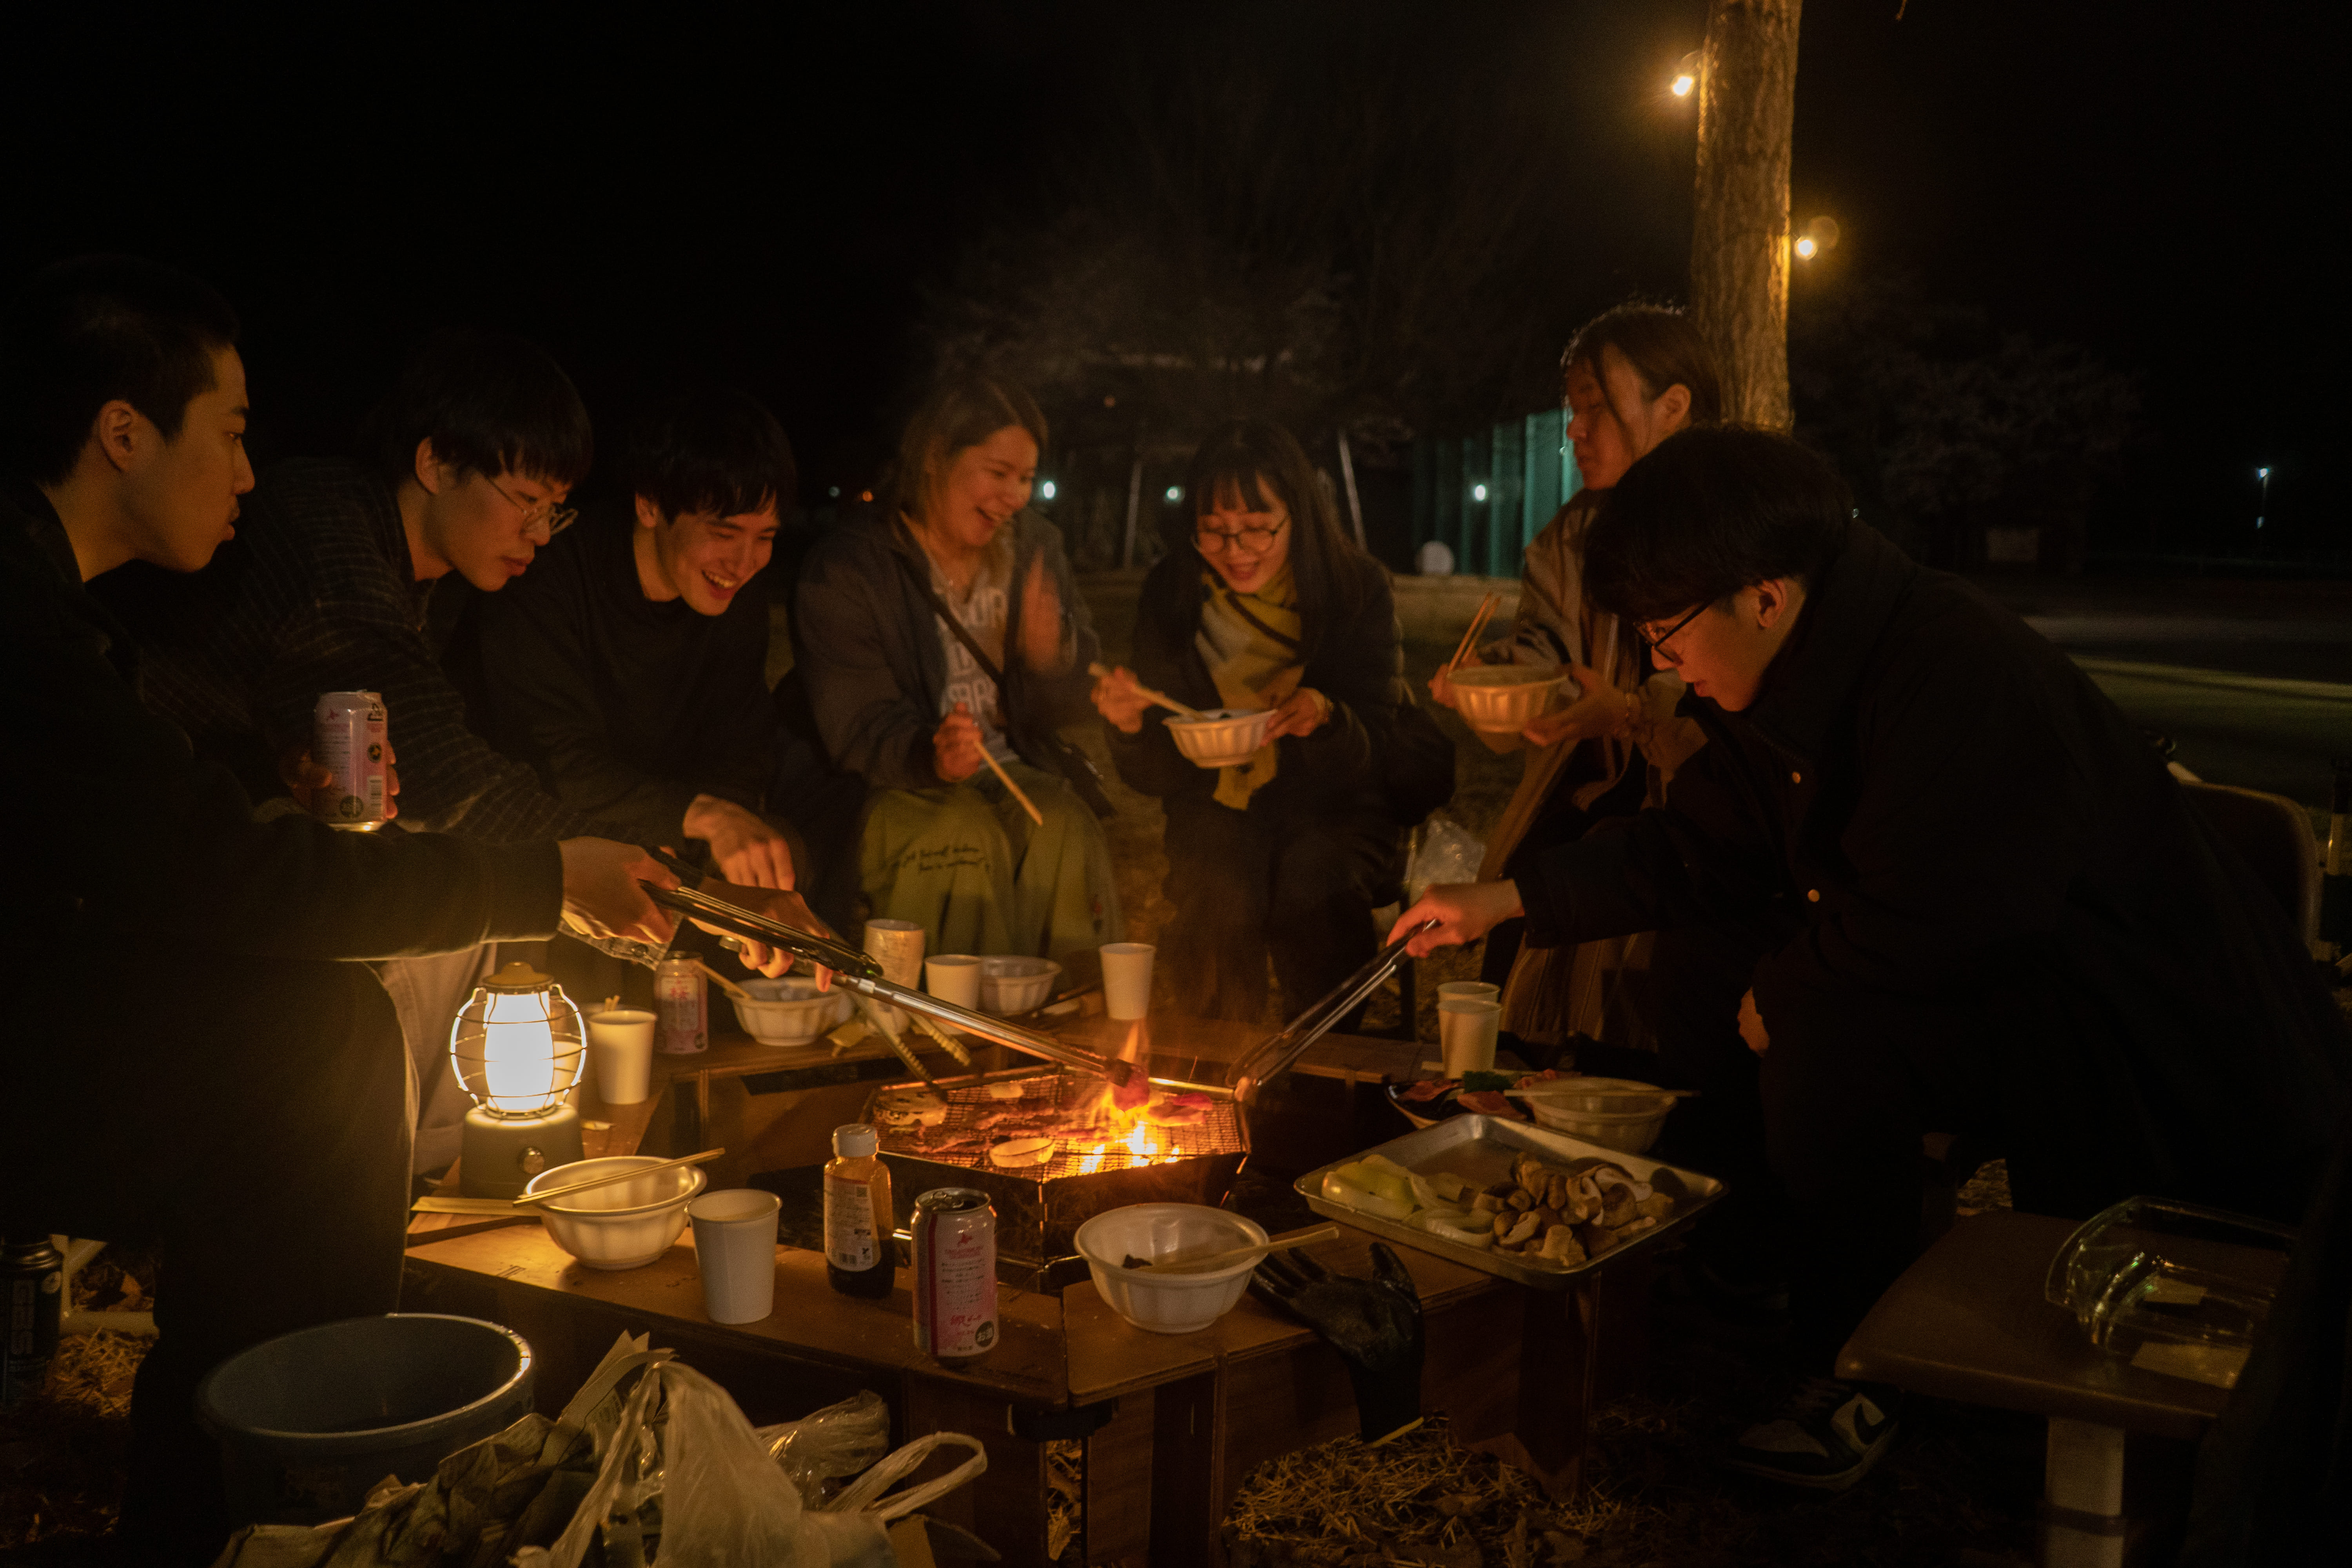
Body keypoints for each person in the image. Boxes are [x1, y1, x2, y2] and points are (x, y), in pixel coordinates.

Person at [0, 256, 821, 1563]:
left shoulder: (93, 592)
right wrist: (572, 876)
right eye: (232, 431)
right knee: (321, 1034)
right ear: (122, 433)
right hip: (57, 981)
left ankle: (261, 1464)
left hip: (107, 925)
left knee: (326, 1013)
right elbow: (415, 782)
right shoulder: (321, 549)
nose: (251, 474)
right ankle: (292, 1476)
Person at [1391, 426, 2352, 1490]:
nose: (1668, 669)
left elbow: (1967, 907)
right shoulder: (1798, 669)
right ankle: (1763, 1263)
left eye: (1668, 637)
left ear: (1765, 596)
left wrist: (1790, 989)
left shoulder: (1949, 668)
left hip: (2146, 1035)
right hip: (2020, 989)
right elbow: (1706, 848)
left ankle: (1860, 1366)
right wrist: (1508, 897)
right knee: (1727, 975)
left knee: (1822, 1032)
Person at [93, 328, 649, 1174]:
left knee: (443, 891)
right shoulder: (328, 532)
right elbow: (445, 765)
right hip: (126, 890)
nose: (540, 531)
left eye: (555, 510)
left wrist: (277, 769)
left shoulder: (422, 578)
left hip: (197, 832)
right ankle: (375, 1191)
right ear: (435, 462)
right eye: (524, 497)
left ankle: (408, 1172)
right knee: (409, 924)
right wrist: (606, 874)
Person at [1092, 419, 1452, 1022]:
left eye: (1258, 531)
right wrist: (1131, 727)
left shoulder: (1355, 589)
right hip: (1217, 802)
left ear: (1299, 518)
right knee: (1216, 889)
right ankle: (1214, 1079)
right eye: (1214, 533)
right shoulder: (1174, 591)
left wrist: (1326, 716)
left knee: (1313, 883)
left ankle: (1319, 1075)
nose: (1235, 552)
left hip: (1341, 805)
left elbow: (1376, 739)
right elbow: (1159, 775)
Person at [1431, 303, 1719, 1049]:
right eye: (1573, 409)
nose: (1575, 430)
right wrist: (1492, 680)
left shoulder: (1729, 524)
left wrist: (1629, 713)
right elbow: (1547, 650)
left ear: (1674, 406)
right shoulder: (1574, 533)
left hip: (1701, 798)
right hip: (1591, 783)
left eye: (1596, 408)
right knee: (1529, 880)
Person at [791, 376, 1121, 960]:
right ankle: (960, 1031)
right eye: (998, 474)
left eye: (1024, 479)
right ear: (936, 458)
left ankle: (1070, 1027)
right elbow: (856, 725)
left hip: (1011, 768)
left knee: (1064, 823)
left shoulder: (1033, 548)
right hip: (885, 785)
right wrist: (930, 755)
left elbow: (1069, 698)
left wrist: (1054, 658)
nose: (1015, 497)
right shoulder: (853, 570)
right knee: (961, 836)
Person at [444, 382, 800, 889]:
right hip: (528, 835)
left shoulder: (736, 598)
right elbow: (552, 760)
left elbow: (741, 745)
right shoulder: (549, 571)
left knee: (779, 858)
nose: (744, 564)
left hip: (666, 830)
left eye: (765, 538)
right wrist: (701, 816)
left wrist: (722, 836)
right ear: (651, 506)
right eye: (724, 534)